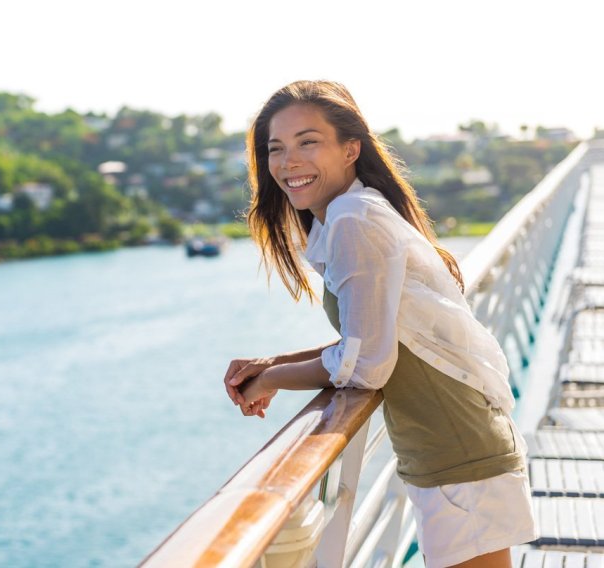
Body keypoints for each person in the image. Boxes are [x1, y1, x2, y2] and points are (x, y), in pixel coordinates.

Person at [223, 81, 538, 568]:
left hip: (455, 446)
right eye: (276, 148)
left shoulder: (353, 219)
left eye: (308, 141)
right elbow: (377, 334)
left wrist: (270, 380)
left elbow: (366, 364)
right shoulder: (355, 211)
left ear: (351, 149)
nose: (289, 161)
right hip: (450, 442)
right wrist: (275, 362)